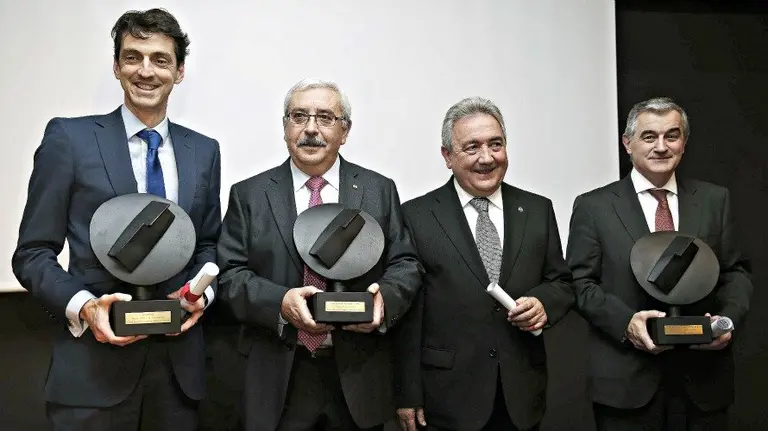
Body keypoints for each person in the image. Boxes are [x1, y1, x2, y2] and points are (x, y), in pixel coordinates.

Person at [11, 8, 221, 430]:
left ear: (179, 71)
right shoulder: (68, 139)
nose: (146, 71)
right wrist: (86, 308)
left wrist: (202, 296)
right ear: (116, 66)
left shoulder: (204, 151)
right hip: (90, 376)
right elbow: (33, 254)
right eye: (133, 57)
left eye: (160, 59)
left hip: (179, 379)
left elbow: (207, 243)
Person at [217, 78, 423, 431]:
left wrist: (383, 302)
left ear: (345, 131)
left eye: (325, 118)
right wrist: (280, 302)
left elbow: (406, 264)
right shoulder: (249, 195)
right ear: (285, 127)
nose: (311, 128)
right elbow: (229, 276)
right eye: (299, 116)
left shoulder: (378, 190)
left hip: (358, 377)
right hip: (278, 376)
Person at [566, 97, 753, 430]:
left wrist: (727, 320)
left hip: (704, 382)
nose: (662, 146)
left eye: (672, 135)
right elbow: (580, 283)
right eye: (649, 136)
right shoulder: (593, 207)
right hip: (626, 386)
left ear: (684, 142)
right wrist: (626, 323)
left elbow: (735, 272)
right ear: (628, 143)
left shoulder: (714, 200)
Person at [394, 97, 574, 431]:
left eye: (496, 144)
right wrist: (408, 392)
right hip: (446, 395)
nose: (487, 158)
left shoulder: (537, 210)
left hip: (521, 391)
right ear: (448, 156)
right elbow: (409, 313)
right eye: (472, 147)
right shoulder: (416, 216)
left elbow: (561, 282)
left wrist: (544, 303)